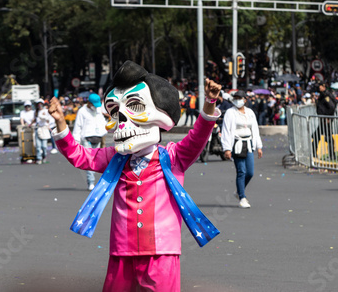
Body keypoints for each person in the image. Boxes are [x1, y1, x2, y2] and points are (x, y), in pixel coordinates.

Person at [48, 61, 222, 291]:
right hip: (123, 248)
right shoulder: (115, 158)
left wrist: (209, 104)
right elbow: (80, 156)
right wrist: (61, 123)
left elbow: (198, 136)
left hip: (162, 250)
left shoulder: (174, 156)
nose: (122, 123)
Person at [221, 90, 263, 208]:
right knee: (241, 171)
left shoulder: (250, 112)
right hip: (236, 143)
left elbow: (255, 129)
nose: (238, 100)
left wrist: (259, 146)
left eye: (240, 98)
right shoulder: (230, 112)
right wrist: (227, 148)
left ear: (245, 100)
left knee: (250, 172)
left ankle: (239, 191)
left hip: (248, 142)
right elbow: (226, 130)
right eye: (236, 98)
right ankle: (242, 197)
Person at [72, 93, 108, 190]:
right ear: (89, 103)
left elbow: (102, 122)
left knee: (98, 160)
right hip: (87, 138)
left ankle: (96, 181)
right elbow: (78, 126)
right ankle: (91, 181)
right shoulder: (82, 111)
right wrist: (76, 141)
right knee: (90, 160)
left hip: (98, 137)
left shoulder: (98, 110)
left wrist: (106, 129)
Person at [312, 82, 338, 160]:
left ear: (323, 86)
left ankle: (331, 156)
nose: (318, 88)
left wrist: (328, 117)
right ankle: (314, 154)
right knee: (317, 136)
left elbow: (332, 106)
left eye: (319, 86)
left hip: (325, 120)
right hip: (323, 120)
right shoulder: (323, 95)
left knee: (327, 137)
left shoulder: (326, 95)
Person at [34, 99, 51, 164]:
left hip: (44, 129)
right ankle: (39, 158)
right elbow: (34, 119)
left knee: (44, 146)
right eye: (38, 104)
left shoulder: (45, 111)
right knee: (38, 146)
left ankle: (44, 156)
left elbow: (48, 119)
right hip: (38, 128)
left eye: (41, 104)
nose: (39, 105)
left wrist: (43, 117)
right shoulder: (35, 112)